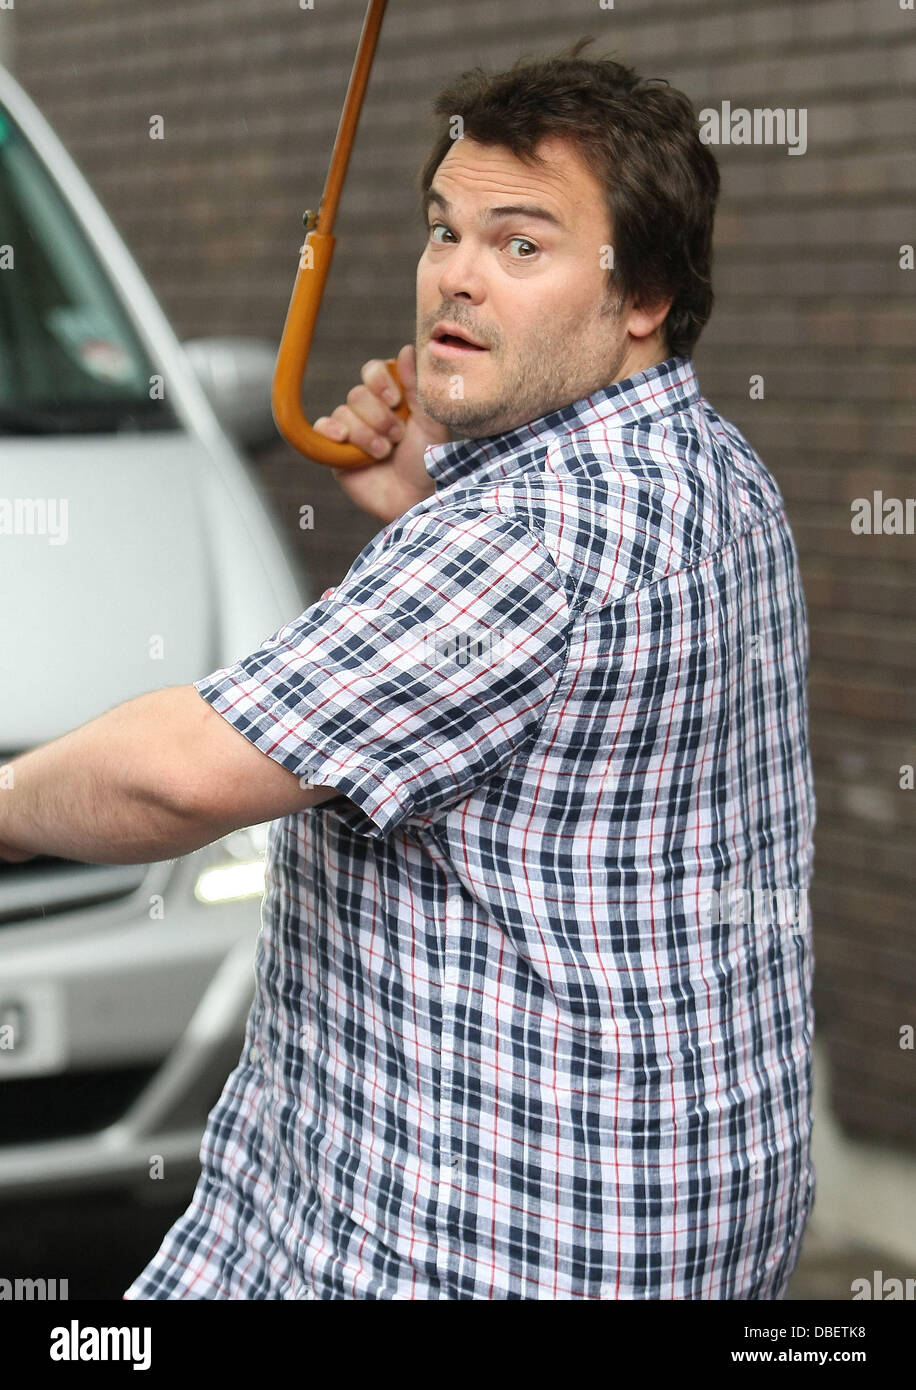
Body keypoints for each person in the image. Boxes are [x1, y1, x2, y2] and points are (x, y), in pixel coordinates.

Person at [1, 40, 816, 1300]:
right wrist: (414, 508)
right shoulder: (712, 471)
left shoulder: (524, 542)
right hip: (665, 1202)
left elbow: (181, 781)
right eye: (445, 230)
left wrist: (4, 811)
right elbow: (542, 696)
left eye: (522, 244)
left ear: (642, 290)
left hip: (475, 1238)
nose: (455, 276)